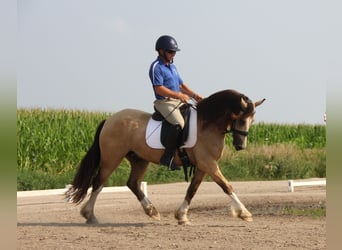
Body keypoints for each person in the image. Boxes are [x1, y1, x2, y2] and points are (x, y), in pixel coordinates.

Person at [149, 35, 203, 170]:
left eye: (174, 52)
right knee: (178, 123)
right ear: (161, 51)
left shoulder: (172, 67)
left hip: (177, 100)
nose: (173, 54)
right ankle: (167, 158)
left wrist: (195, 96)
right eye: (170, 52)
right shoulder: (156, 66)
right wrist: (178, 95)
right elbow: (159, 88)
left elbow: (180, 85)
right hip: (164, 102)